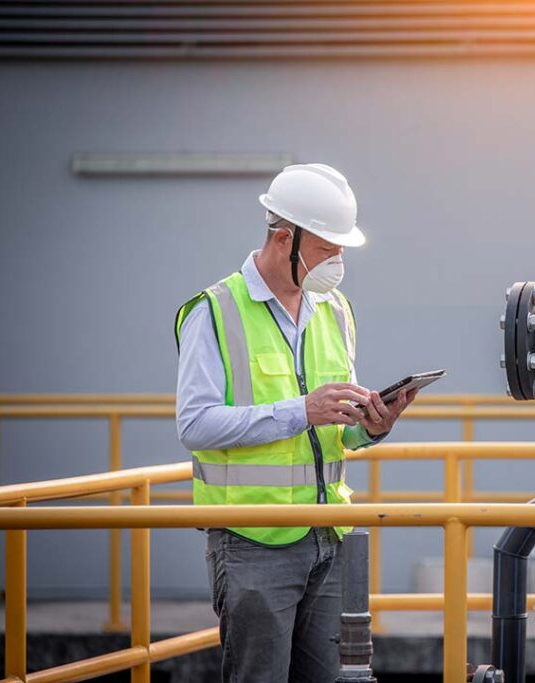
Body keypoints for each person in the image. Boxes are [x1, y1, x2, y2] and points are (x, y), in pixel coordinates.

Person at [174, 163, 416, 682]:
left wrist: (372, 425)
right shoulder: (214, 310)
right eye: (329, 248)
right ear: (284, 238)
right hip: (251, 543)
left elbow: (336, 430)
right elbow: (195, 425)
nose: (339, 261)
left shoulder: (336, 310)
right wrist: (299, 410)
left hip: (330, 538)